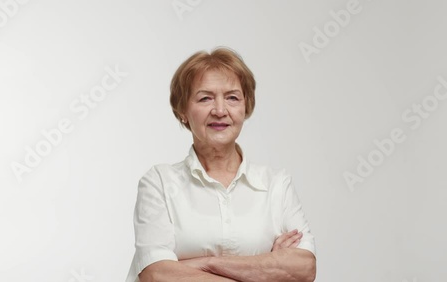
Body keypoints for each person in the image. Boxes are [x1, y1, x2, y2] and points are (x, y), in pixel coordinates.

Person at [126, 47, 316, 282]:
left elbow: (304, 268)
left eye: (232, 98)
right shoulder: (159, 183)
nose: (219, 110)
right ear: (183, 110)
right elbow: (157, 275)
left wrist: (204, 264)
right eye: (205, 98)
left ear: (245, 107)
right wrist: (266, 269)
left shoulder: (276, 184)